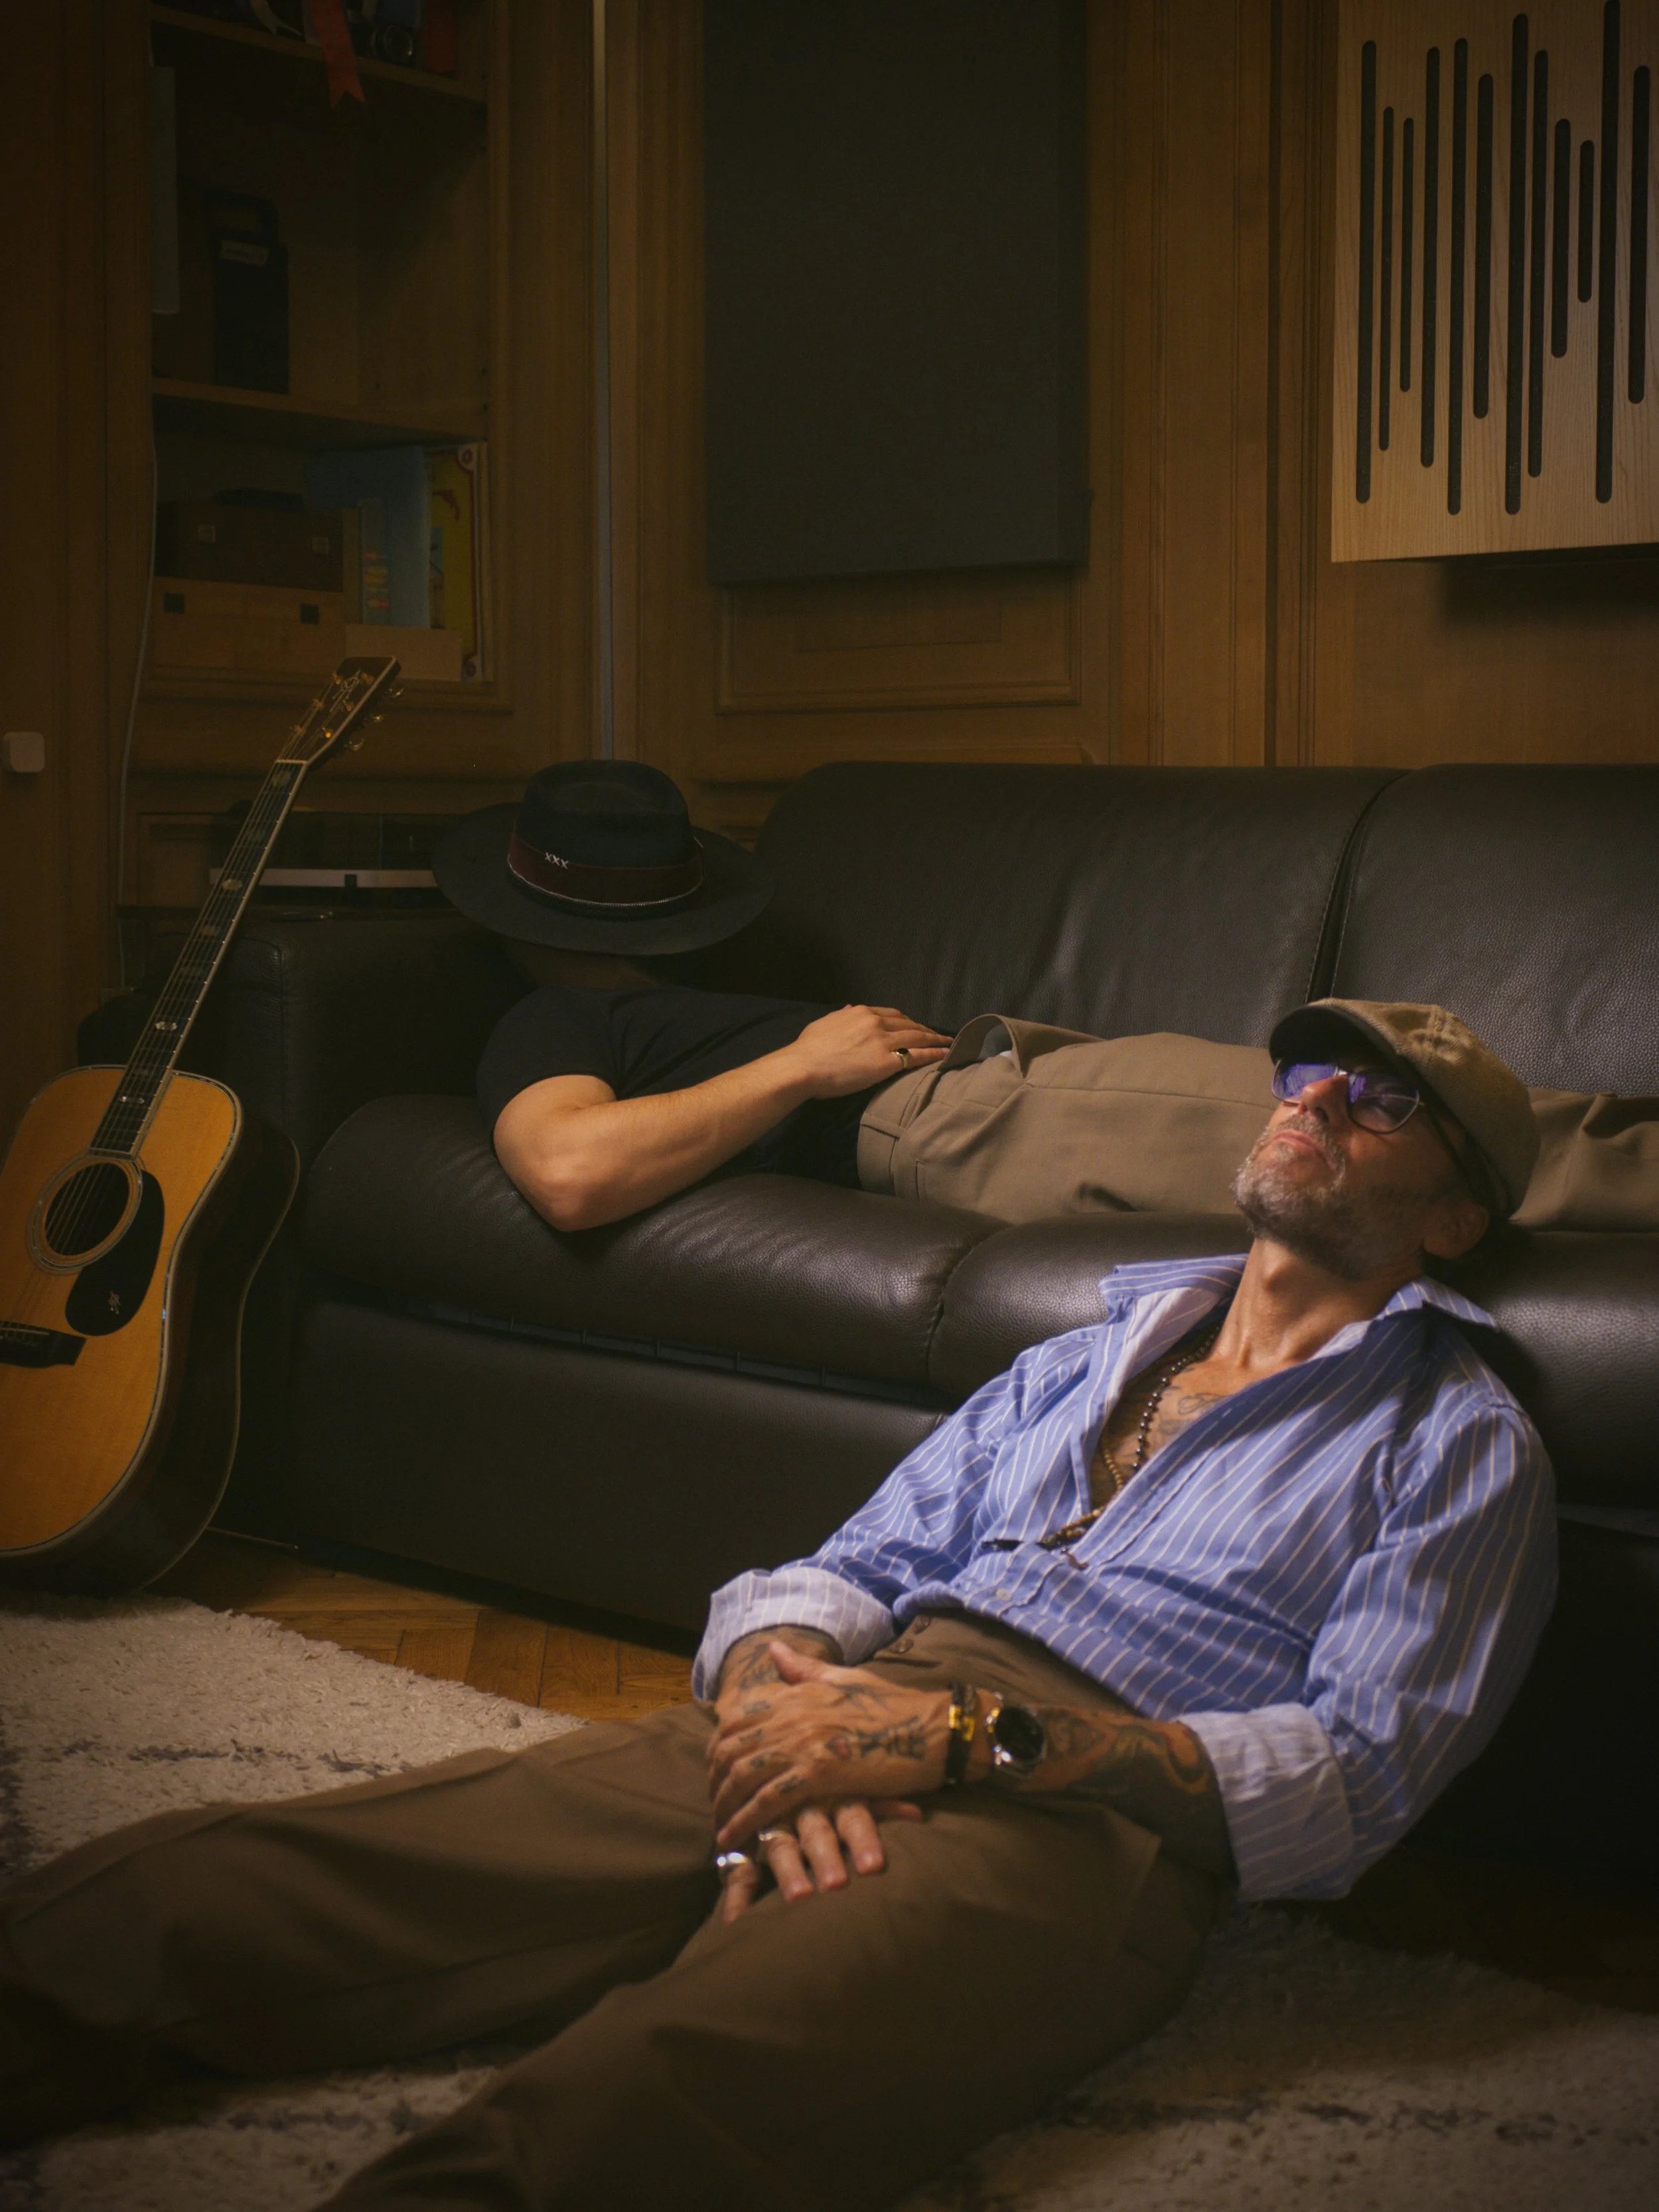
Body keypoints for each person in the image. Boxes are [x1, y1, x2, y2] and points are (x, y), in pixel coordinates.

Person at [0, 997, 1556, 2212]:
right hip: (833, 1714)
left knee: (657, 2083)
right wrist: (778, 1685)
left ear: (1455, 1218)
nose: (1318, 1102)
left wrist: (957, 1740)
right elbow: (850, 1562)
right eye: (1308, 1074)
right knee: (314, 1869)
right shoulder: (1078, 1355)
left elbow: (1355, 1781)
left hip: (1086, 1821)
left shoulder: (1460, 1440)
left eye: (1385, 1099)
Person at [432, 759, 952, 1230]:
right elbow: (570, 1173)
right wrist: (803, 1065)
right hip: (945, 1109)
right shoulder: (554, 1014)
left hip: (981, 1072)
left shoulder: (680, 1003)